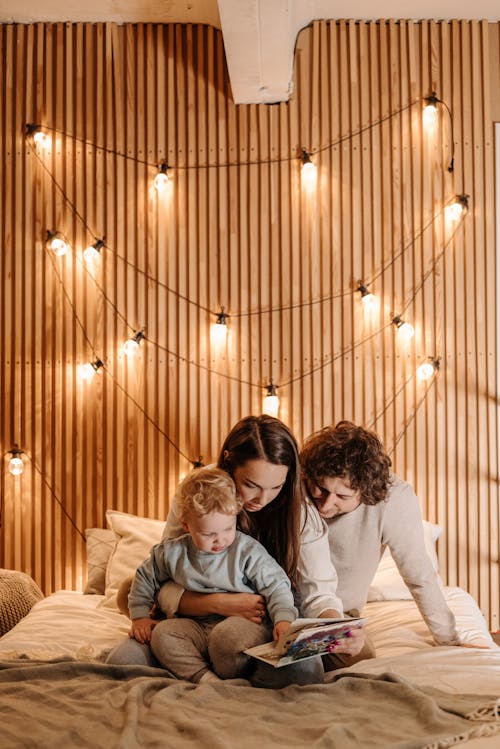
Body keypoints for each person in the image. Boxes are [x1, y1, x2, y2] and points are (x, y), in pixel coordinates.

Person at [107, 415, 366, 685]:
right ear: (229, 463)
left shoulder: (298, 513)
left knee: (311, 666)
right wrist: (218, 603)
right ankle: (207, 671)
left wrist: (334, 627)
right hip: (191, 618)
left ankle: (226, 669)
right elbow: (169, 569)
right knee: (121, 659)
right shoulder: (198, 495)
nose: (262, 500)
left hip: (258, 622)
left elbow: (317, 592)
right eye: (251, 485)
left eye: (275, 487)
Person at [298, 420, 460, 669]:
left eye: (342, 497)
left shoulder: (394, 499)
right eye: (320, 489)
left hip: (339, 612)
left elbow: (418, 574)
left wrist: (449, 641)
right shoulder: (298, 482)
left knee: (356, 659)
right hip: (283, 605)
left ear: (366, 491)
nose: (326, 505)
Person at [128, 466, 297, 684]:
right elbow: (144, 577)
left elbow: (277, 586)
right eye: (209, 534)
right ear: (186, 526)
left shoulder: (247, 551)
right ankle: (205, 678)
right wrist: (140, 616)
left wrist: (284, 620)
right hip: (195, 626)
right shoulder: (171, 553)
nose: (220, 540)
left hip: (242, 624)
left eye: (228, 529)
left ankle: (244, 676)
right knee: (162, 634)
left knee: (227, 638)